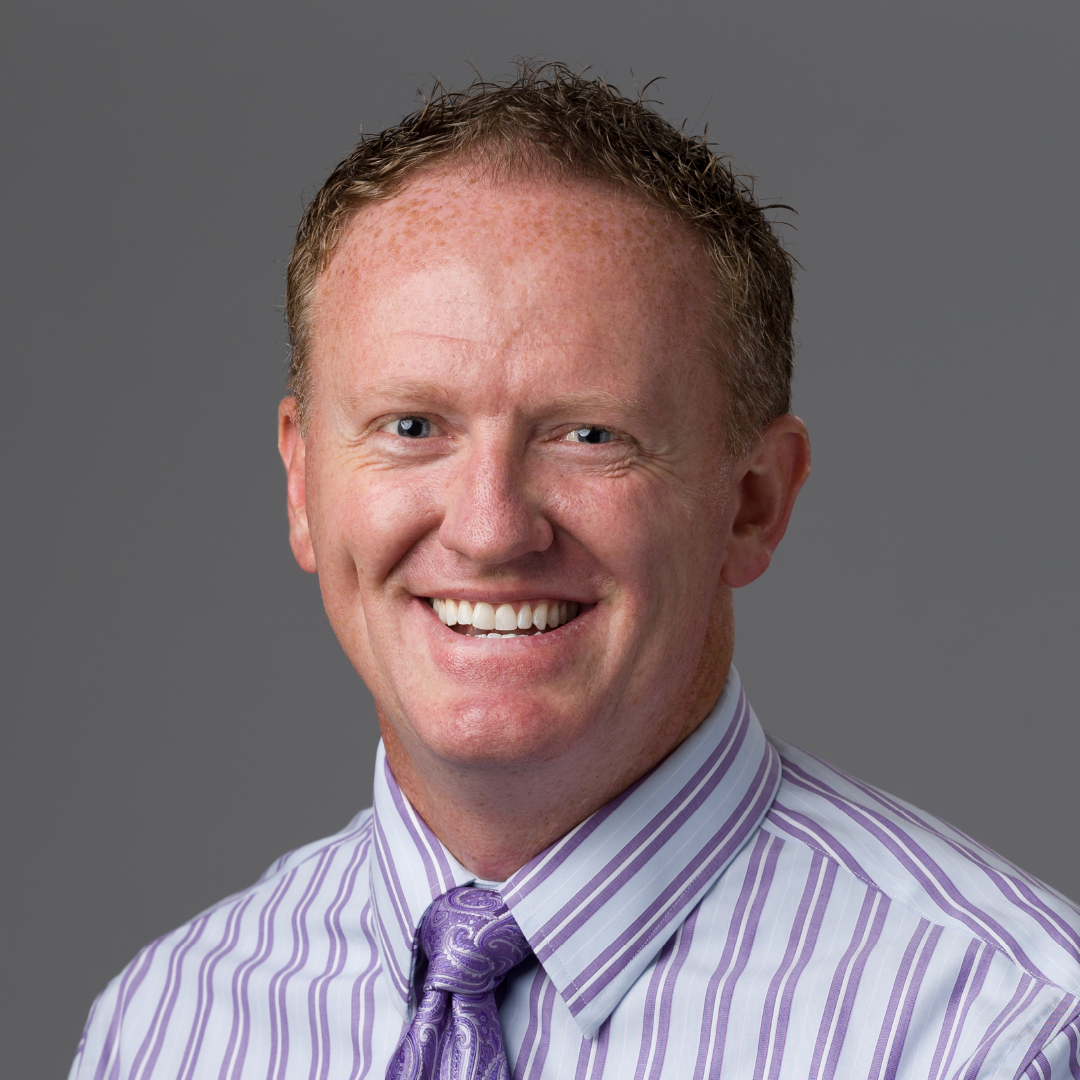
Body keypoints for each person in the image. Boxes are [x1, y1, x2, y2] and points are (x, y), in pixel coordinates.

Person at [69, 63, 1080, 1080]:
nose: (490, 528)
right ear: (302, 484)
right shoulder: (166, 1023)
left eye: (590, 435)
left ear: (754, 502)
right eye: (412, 426)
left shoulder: (998, 1034)